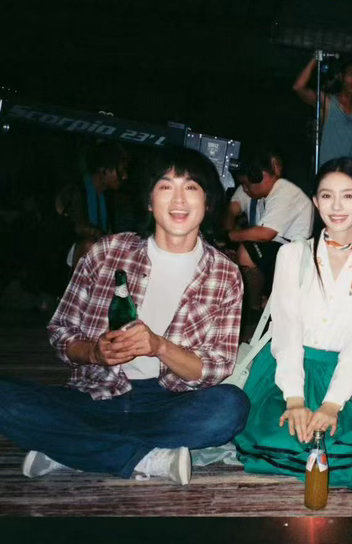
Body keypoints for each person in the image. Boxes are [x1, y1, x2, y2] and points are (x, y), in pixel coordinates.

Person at [0, 146, 249, 486]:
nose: (179, 199)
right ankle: (144, 458)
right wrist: (94, 352)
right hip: (95, 395)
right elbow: (61, 331)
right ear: (149, 201)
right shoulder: (107, 252)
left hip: (167, 403)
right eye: (165, 186)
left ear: (207, 203)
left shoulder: (224, 274)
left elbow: (215, 368)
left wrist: (160, 347)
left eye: (191, 187)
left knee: (229, 408)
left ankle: (68, 448)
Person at [235, 158, 352, 493]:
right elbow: (286, 332)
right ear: (316, 202)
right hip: (287, 370)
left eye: (348, 196)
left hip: (341, 376)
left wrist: (332, 404)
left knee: (346, 444)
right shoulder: (293, 255)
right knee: (280, 436)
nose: (337, 206)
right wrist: (294, 400)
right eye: (327, 196)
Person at [226, 148, 313, 309]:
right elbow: (231, 210)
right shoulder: (250, 189)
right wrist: (226, 238)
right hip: (271, 252)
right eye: (243, 184)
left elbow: (265, 234)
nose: (245, 188)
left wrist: (230, 236)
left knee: (247, 251)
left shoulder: (284, 190)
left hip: (292, 254)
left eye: (250, 183)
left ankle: (254, 310)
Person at [55, 142, 129, 269]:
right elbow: (76, 228)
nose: (124, 176)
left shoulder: (108, 198)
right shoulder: (75, 190)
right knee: (88, 245)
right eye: (120, 171)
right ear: (104, 169)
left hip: (96, 256)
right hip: (65, 257)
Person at [293, 58, 352, 168]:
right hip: (325, 169)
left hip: (348, 171)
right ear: (341, 76)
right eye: (351, 75)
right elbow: (298, 87)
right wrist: (315, 59)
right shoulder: (327, 101)